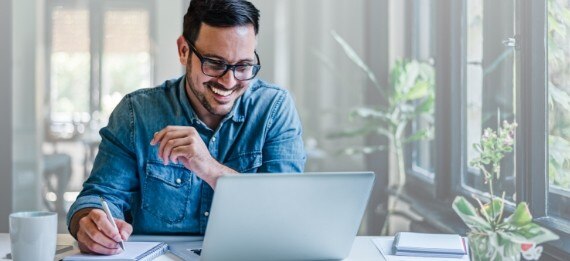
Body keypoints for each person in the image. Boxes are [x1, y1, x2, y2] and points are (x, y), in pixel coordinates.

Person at [66, 0, 306, 254]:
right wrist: (90, 223)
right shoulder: (136, 113)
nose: (229, 81)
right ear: (183, 51)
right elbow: (100, 195)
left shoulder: (274, 108)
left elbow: (285, 211)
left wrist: (210, 168)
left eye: (243, 66)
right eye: (214, 63)